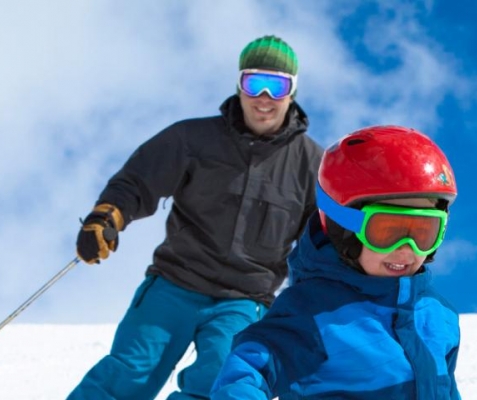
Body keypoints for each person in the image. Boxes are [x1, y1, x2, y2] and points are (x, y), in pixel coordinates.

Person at [67, 35, 323, 400]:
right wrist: (107, 216)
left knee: (223, 383)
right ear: (239, 84)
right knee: (129, 373)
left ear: (292, 92)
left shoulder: (311, 166)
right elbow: (139, 180)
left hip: (244, 299)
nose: (264, 98)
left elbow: (322, 239)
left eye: (277, 86)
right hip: (176, 283)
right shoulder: (193, 139)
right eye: (255, 83)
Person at [211, 125, 462, 399]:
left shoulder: (439, 313)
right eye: (388, 230)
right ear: (343, 228)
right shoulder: (312, 312)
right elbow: (247, 370)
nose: (406, 249)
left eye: (423, 232)